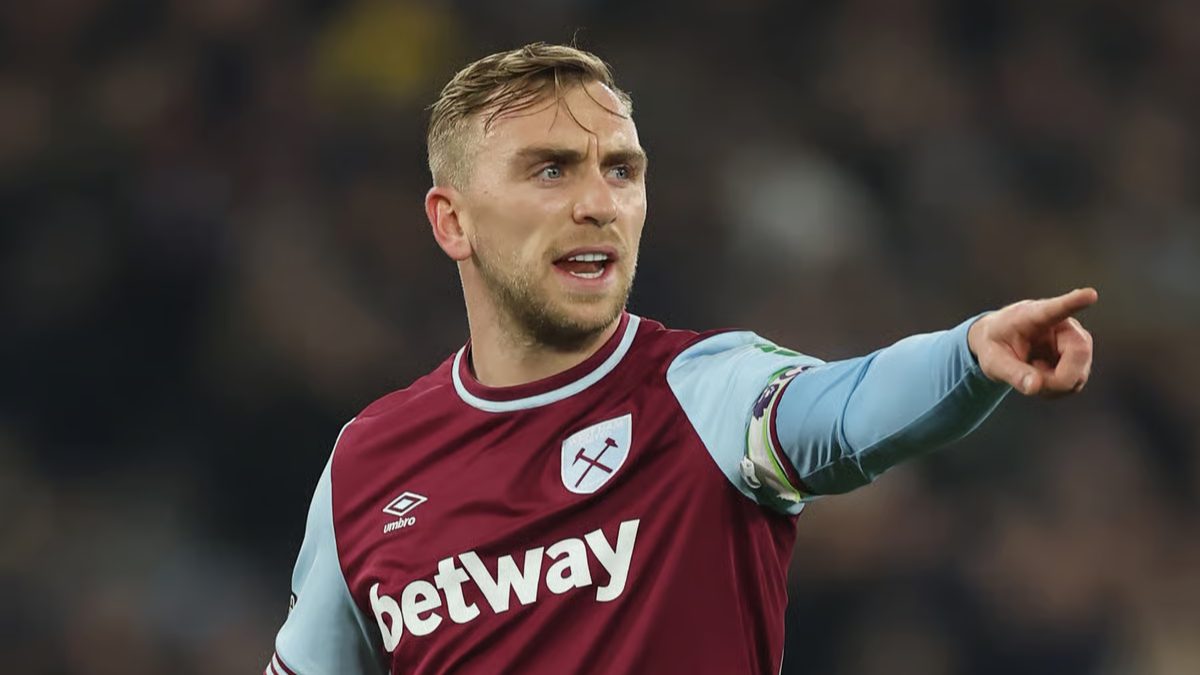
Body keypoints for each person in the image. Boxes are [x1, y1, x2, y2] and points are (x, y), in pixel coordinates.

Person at [263, 43, 1097, 675]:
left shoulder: (705, 390)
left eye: (621, 171)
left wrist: (971, 352)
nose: (598, 204)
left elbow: (844, 409)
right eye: (550, 170)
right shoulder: (367, 464)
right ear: (453, 222)